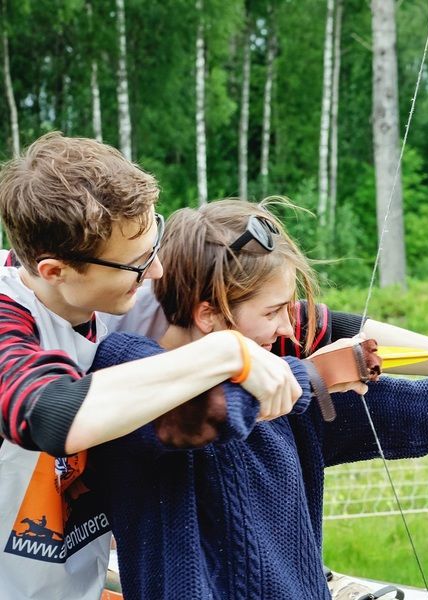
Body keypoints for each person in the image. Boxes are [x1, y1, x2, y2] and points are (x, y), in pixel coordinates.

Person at [88, 199, 428, 599]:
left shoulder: (279, 374)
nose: (287, 325)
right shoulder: (127, 368)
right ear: (210, 315)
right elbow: (198, 418)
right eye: (273, 313)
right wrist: (312, 373)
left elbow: (403, 411)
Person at [0, 134, 347, 600]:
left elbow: (307, 323)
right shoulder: (10, 320)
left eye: (154, 243)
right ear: (54, 271)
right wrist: (226, 353)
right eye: (138, 263)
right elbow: (51, 414)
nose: (158, 271)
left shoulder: (117, 292)